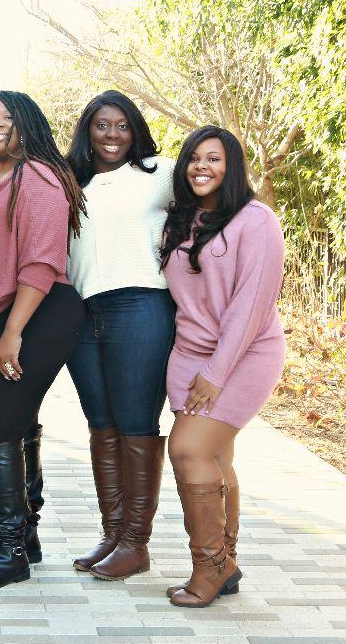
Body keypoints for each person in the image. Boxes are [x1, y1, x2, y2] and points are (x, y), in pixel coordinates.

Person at [0, 90, 85, 591]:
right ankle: (24, 536)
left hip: (34, 311)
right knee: (15, 419)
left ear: (29, 124)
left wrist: (13, 333)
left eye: (9, 117)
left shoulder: (39, 178)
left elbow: (41, 261)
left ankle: (8, 551)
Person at [159, 126, 285, 607]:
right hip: (189, 354)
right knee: (215, 458)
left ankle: (207, 568)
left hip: (244, 354)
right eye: (193, 158)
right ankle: (225, 564)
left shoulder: (256, 221)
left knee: (188, 450)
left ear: (232, 166)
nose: (201, 167)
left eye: (213, 158)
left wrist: (215, 372)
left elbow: (251, 305)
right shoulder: (182, 219)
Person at [63, 90, 176, 581]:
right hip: (82, 312)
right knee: (102, 422)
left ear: (135, 130)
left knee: (135, 422)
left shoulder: (160, 173)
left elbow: (222, 200)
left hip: (141, 304)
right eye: (102, 126)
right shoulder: (70, 181)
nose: (112, 136)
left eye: (122, 126)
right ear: (87, 130)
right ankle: (112, 533)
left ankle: (136, 543)